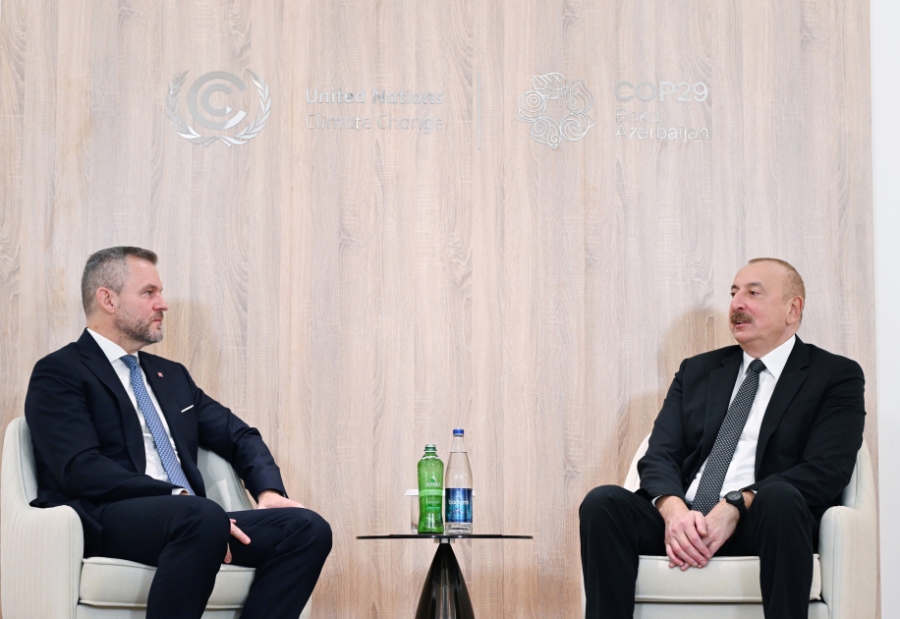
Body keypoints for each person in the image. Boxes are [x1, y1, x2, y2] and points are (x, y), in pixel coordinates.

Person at [25, 246, 332, 619]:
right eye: (149, 292)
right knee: (201, 517)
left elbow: (239, 435)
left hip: (194, 520)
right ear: (108, 299)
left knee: (307, 528)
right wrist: (176, 496)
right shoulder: (60, 371)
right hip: (108, 517)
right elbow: (80, 468)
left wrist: (269, 493)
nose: (163, 304)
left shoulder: (171, 376)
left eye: (161, 292)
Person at [579, 258, 865, 619]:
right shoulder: (697, 371)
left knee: (779, 498)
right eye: (733, 293)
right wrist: (674, 511)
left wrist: (736, 504)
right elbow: (659, 455)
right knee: (602, 503)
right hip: (687, 518)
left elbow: (827, 469)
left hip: (763, 523)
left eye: (753, 293)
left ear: (792, 309)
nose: (736, 304)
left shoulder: (834, 375)